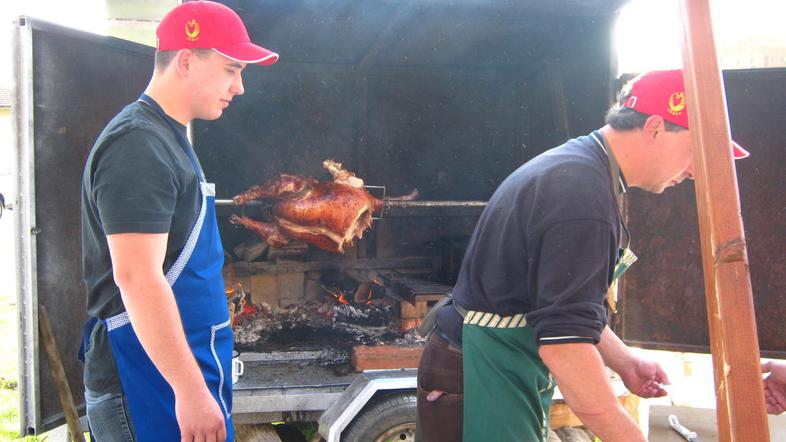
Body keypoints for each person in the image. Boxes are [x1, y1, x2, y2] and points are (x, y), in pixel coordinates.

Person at [416, 69, 750, 442]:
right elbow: (567, 349)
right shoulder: (582, 197)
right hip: (479, 374)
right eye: (696, 153)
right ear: (655, 128)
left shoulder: (581, 167)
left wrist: (624, 360)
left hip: (490, 364)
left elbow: (563, 303)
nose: (695, 173)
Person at [79, 2, 278, 441]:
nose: (239, 87)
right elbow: (136, 277)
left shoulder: (168, 137)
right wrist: (189, 391)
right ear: (186, 60)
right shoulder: (138, 144)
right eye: (231, 69)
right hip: (145, 385)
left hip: (172, 375)